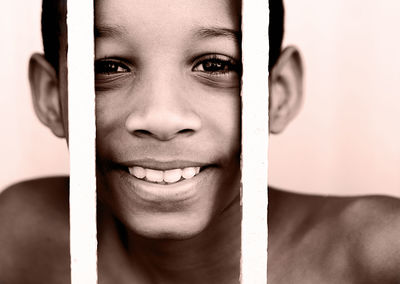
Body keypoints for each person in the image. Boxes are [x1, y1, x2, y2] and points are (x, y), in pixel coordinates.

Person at [0, 0, 399, 283]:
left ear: (279, 92)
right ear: (52, 96)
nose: (160, 118)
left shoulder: (376, 254)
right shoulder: (24, 235)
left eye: (215, 65)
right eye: (107, 66)